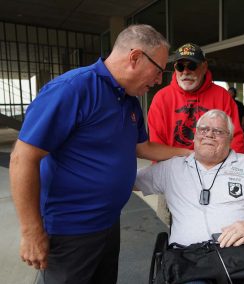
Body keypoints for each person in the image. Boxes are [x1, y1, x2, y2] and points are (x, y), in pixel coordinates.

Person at [9, 24, 191, 284]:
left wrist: (190, 153)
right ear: (135, 57)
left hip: (108, 224)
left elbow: (143, 147)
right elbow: (22, 158)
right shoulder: (73, 89)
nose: (159, 80)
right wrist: (31, 231)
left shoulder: (129, 100)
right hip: (70, 229)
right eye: (159, 70)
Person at [136, 109, 244, 284]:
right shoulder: (171, 168)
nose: (209, 135)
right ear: (195, 136)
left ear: (230, 138)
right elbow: (125, 181)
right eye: (203, 129)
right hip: (189, 261)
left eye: (218, 131)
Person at [147, 43, 244, 153]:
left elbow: (235, 139)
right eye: (180, 67)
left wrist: (235, 168)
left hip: (215, 166)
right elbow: (156, 145)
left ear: (204, 67)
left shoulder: (222, 96)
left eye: (192, 66)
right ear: (175, 68)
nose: (185, 71)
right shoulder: (161, 98)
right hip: (173, 165)